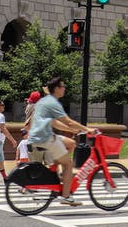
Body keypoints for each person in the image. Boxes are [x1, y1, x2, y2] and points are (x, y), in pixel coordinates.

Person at [26, 77, 90, 206]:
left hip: (36, 138)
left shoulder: (44, 102)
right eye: (63, 86)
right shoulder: (53, 103)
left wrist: (72, 130)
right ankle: (66, 196)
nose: (64, 88)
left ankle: (58, 179)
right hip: (45, 138)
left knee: (69, 145)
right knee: (68, 164)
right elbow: (68, 121)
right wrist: (87, 129)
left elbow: (55, 123)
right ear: (56, 89)